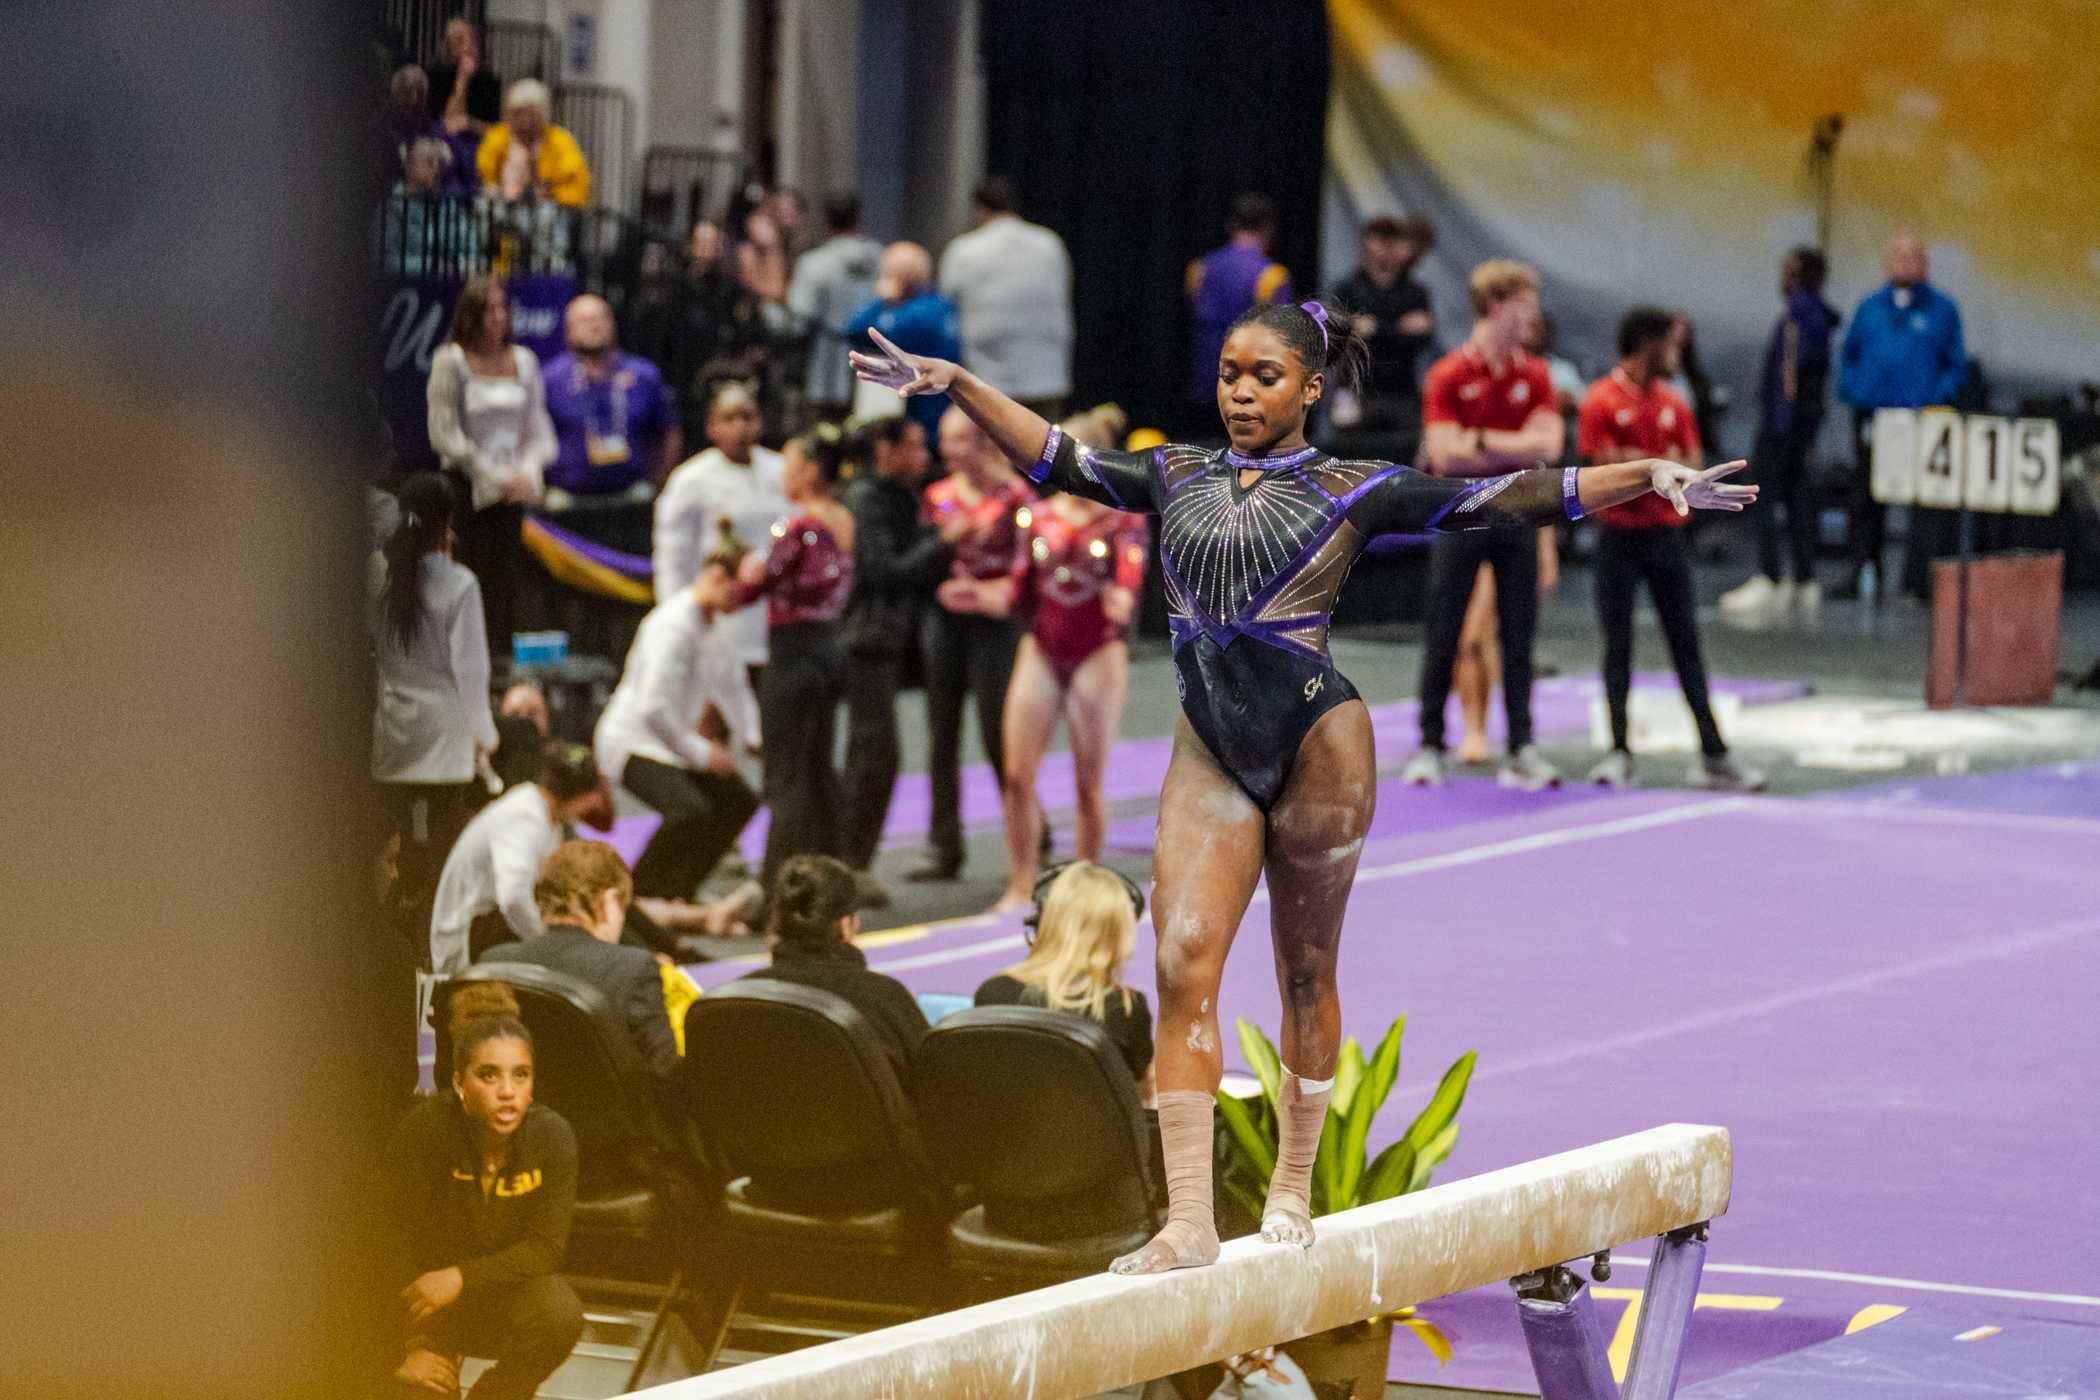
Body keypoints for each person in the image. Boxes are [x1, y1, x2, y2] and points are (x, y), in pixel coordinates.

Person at [851, 290, 1752, 1274]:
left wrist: (1647, 477)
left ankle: (1290, 1188)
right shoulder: (1172, 469)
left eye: (1264, 376)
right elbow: (1057, 457)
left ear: (1310, 388)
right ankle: (1189, 1220)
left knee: (1303, 969)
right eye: (1231, 373)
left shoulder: (1354, 486)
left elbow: (1506, 493)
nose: (1240, 392)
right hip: (1212, 741)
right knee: (1182, 961)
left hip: (1320, 740)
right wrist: (960, 383)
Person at [960, 406, 1146, 912]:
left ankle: (1083, 885)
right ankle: (1020, 883)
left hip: (1097, 652)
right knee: (1017, 775)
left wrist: (1124, 599)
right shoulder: (1036, 518)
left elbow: (1130, 572)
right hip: (1041, 647)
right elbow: (1020, 586)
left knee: (1088, 783)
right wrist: (984, 594)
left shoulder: (1121, 518)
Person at [1577, 308, 1765, 792]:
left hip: (1665, 537)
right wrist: (1652, 465)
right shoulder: (1600, 399)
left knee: (1687, 648)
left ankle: (1715, 756)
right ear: (1648, 344)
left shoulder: (1675, 402)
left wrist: (1634, 463)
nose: (1679, 356)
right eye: (1672, 345)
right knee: (1617, 646)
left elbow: (1694, 462)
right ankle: (1618, 752)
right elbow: (1601, 463)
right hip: (1617, 539)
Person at [1399, 260, 1567, 791]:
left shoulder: (1535, 375)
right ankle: (1430, 744)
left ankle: (1521, 746)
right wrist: (1510, 452)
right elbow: (1445, 457)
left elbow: (1550, 447)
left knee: (1520, 635)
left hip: (1517, 516)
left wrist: (1482, 444)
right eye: (1525, 306)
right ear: (1498, 306)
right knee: (1444, 630)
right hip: (1462, 513)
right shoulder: (1448, 373)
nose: (1533, 317)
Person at [380, 1002, 582, 1400]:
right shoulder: (423, 1134)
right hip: (413, 1308)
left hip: (484, 1294)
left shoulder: (553, 1137)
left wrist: (461, 1277)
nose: (507, 1093)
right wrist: (397, 1354)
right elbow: (374, 1256)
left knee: (559, 1312)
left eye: (520, 1076)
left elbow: (545, 1248)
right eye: (488, 1076)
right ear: (459, 1084)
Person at [594, 526, 763, 934]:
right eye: (739, 595)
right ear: (718, 578)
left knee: (739, 800)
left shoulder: (712, 625)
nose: (742, 606)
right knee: (688, 809)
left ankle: (678, 894)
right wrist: (703, 754)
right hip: (632, 741)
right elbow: (653, 708)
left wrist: (752, 736)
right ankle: (634, 899)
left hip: (671, 743)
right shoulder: (672, 626)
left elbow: (734, 686)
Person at [731, 426, 863, 896]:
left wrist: (744, 572)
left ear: (809, 470)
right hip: (829, 649)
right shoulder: (842, 518)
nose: (782, 475)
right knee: (819, 773)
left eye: (788, 465)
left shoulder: (800, 525)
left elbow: (749, 588)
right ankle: (834, 881)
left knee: (785, 779)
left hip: (791, 656)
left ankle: (775, 892)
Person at [909, 407, 1038, 882]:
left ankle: (1028, 834)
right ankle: (944, 847)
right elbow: (923, 563)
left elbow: (1029, 560)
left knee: (997, 732)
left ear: (985, 442)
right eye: (944, 441)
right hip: (946, 621)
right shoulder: (937, 496)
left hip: (994, 622)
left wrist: (998, 594)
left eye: (960, 440)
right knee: (941, 734)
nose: (949, 451)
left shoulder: (1014, 495)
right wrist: (941, 578)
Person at [370, 472, 499, 933]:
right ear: (447, 521)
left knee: (404, 843)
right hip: (445, 735)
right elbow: (470, 670)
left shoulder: (379, 573)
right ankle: (434, 939)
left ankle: (395, 931)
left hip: (394, 728)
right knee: (445, 849)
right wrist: (486, 735)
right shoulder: (458, 581)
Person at [838, 417, 949, 881]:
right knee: (874, 755)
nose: (924, 458)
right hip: (864, 640)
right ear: (885, 449)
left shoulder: (900, 496)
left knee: (873, 755)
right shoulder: (865, 500)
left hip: (888, 639)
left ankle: (851, 861)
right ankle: (848, 864)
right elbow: (882, 570)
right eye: (915, 447)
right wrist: (943, 543)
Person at [480, 839, 681, 1092]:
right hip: (616, 1128)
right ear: (609, 901)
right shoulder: (634, 969)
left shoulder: (493, 964)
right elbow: (667, 1072)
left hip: (525, 1124)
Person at [426, 275, 557, 656]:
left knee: (507, 581)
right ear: (470, 315)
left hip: (514, 488)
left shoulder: (525, 361)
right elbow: (444, 434)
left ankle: (500, 662)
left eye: (502, 308)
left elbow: (538, 429)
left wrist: (528, 472)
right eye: (487, 310)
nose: (497, 317)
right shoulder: (450, 361)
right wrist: (490, 475)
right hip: (468, 487)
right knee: (470, 576)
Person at [1837, 231, 1967, 601]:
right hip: (1874, 416)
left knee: (1923, 501)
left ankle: (1917, 579)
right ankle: (1864, 568)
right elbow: (1851, 354)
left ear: (1924, 263)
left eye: (1913, 256)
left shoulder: (1942, 310)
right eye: (1898, 255)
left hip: (1920, 420)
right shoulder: (1870, 307)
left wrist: (1935, 398)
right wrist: (1856, 390)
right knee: (1866, 496)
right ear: (1887, 261)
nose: (1905, 262)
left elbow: (1955, 364)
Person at [1721, 247, 1841, 620]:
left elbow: (1792, 375)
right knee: (1796, 494)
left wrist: (1783, 425)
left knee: (1763, 490)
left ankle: (1770, 576)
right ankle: (1804, 578)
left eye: (1788, 270)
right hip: (1799, 422)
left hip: (1784, 423)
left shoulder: (1799, 317)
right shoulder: (1816, 315)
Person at [740, 855, 927, 1089]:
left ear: (776, 920)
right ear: (848, 924)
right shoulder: (885, 999)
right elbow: (937, 1087)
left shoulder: (735, 1000)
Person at [429, 741, 610, 976]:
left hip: (492, 928)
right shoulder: (525, 819)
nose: (594, 804)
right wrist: (549, 943)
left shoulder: (540, 809)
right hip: (471, 942)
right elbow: (513, 898)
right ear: (582, 796)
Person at [975, 861, 1154, 1096]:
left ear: (1041, 923)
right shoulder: (1126, 1007)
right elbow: (1143, 1098)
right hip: (1093, 1132)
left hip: (1004, 1131)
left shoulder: (991, 993)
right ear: (1118, 937)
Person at [652, 382, 790, 678]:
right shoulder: (691, 479)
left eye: (748, 417)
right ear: (712, 427)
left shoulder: (780, 469)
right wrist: (676, 617)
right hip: (718, 615)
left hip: (772, 617)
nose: (740, 427)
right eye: (729, 418)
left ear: (760, 421)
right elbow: (671, 557)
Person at [939, 176, 1074, 420]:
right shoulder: (1050, 243)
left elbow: (947, 303)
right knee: (1047, 454)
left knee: (993, 454)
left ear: (978, 209)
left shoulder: (964, 250)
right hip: (1047, 375)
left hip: (989, 377)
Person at [540, 294, 681, 503]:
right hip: (566, 493)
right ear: (568, 331)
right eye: (585, 321)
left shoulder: (644, 375)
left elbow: (668, 431)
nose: (594, 326)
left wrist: (661, 480)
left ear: (612, 324)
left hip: (632, 489)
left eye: (600, 318)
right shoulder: (549, 379)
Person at [1326, 214, 1436, 449]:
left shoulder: (1415, 292)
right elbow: (1340, 338)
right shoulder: (1347, 288)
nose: (1385, 248)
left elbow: (1423, 339)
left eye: (1391, 240)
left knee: (1406, 459)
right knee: (1351, 461)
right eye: (1379, 239)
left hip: (1401, 393)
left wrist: (1375, 328)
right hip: (1357, 391)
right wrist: (1399, 329)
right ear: (1366, 243)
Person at [1186, 194, 1294, 426]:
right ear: (1268, 229)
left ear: (1231, 226)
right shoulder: (1272, 276)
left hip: (1204, 382)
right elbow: (1280, 336)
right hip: (1248, 390)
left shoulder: (1199, 268)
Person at [843, 242, 962, 445]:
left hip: (924, 419)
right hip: (934, 409)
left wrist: (882, 299)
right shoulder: (940, 304)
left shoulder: (918, 314)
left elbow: (857, 330)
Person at [786, 192, 883, 424]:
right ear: (858, 219)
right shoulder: (883, 258)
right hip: (875, 372)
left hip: (823, 375)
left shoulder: (814, 263)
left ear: (826, 222)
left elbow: (797, 325)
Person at [475, 80, 590, 208]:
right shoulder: (497, 137)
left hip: (550, 210)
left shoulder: (560, 140)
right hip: (501, 206)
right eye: (517, 113)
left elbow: (572, 184)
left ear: (543, 114)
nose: (525, 122)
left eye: (531, 114)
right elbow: (484, 177)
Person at [426, 16, 504, 134]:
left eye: (472, 39)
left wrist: (471, 124)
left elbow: (495, 130)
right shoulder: (436, 75)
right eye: (459, 40)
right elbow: (446, 123)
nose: (468, 46)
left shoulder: (489, 79)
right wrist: (462, 79)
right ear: (448, 48)